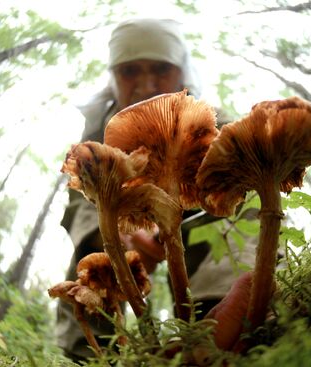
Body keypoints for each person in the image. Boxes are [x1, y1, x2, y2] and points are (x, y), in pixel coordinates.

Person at [57, 18, 256, 361]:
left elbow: (246, 184)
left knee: (233, 215)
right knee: (92, 264)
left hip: (196, 211)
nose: (146, 82)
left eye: (160, 68)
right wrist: (118, 239)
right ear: (114, 78)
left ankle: (225, 319)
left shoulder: (210, 122)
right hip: (125, 221)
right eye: (129, 71)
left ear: (181, 73)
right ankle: (89, 355)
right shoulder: (94, 136)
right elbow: (82, 204)